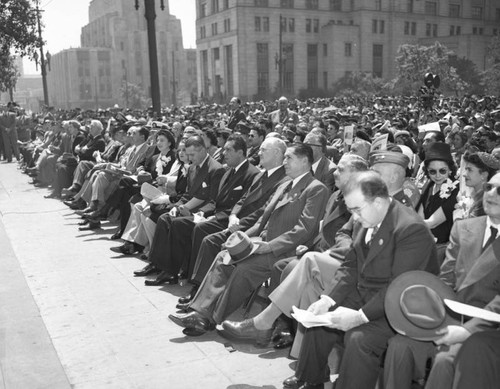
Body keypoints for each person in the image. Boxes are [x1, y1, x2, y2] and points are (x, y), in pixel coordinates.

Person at [280, 171, 437, 389]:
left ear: (379, 202)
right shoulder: (367, 217)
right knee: (320, 318)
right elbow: (351, 265)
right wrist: (328, 300)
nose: (353, 217)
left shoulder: (410, 229)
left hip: (400, 308)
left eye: (356, 209)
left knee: (358, 338)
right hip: (367, 294)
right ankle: (310, 378)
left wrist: (360, 317)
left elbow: (398, 286)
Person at [168, 143, 329, 336]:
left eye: (289, 158)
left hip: (283, 251)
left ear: (304, 161)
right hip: (260, 243)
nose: (284, 162)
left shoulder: (315, 188)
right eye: (284, 157)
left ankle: (210, 318)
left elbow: (304, 229)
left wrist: (269, 246)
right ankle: (200, 312)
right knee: (223, 256)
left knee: (243, 269)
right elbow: (262, 219)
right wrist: (242, 239)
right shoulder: (286, 185)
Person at [221, 153, 369, 353]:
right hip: (322, 251)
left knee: (292, 265)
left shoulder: (360, 200)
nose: (335, 171)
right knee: (281, 266)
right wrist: (309, 245)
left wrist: (318, 250)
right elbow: (323, 227)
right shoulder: (336, 195)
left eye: (341, 169)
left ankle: (270, 324)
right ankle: (280, 327)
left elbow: (351, 239)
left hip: (343, 261)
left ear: (358, 174)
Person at [383, 172, 500, 389]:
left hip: (488, 330)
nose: (491, 194)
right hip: (449, 316)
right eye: (489, 187)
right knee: (399, 345)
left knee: (446, 361)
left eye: (499, 190)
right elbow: (444, 280)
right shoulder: (465, 227)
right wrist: (429, 317)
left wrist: (467, 330)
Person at [178, 137, 289, 305]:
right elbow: (243, 199)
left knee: (210, 241)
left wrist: (237, 224)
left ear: (276, 153)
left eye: (263, 150)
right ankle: (200, 291)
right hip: (236, 220)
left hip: (252, 228)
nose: (258, 152)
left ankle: (202, 294)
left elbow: (263, 212)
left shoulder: (283, 180)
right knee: (205, 235)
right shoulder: (263, 175)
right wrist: (233, 216)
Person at [140, 135, 259, 285]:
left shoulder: (246, 173)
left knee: (191, 226)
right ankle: (163, 267)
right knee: (167, 219)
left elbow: (235, 204)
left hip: (224, 219)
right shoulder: (227, 170)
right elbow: (203, 197)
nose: (224, 153)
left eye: (228, 150)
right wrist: (182, 208)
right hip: (208, 213)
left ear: (241, 152)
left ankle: (192, 278)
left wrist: (202, 213)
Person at [132, 135, 225, 280]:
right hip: (188, 208)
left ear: (202, 150)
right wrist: (177, 206)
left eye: (192, 154)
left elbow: (213, 200)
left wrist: (198, 212)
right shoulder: (193, 168)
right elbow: (188, 194)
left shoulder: (215, 169)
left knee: (175, 223)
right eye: (188, 155)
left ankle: (170, 272)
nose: (189, 158)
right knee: (164, 218)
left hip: (202, 213)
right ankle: (156, 263)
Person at [416, 142, 459, 245]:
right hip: (424, 240)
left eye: (442, 171)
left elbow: (432, 223)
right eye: (432, 171)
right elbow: (419, 217)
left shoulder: (456, 189)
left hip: (442, 247)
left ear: (450, 170)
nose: (438, 175)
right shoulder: (429, 185)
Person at [455, 151, 500, 220]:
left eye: (470, 170)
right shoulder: (476, 196)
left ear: (483, 175)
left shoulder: (487, 201)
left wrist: (457, 215)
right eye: (466, 169)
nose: (465, 174)